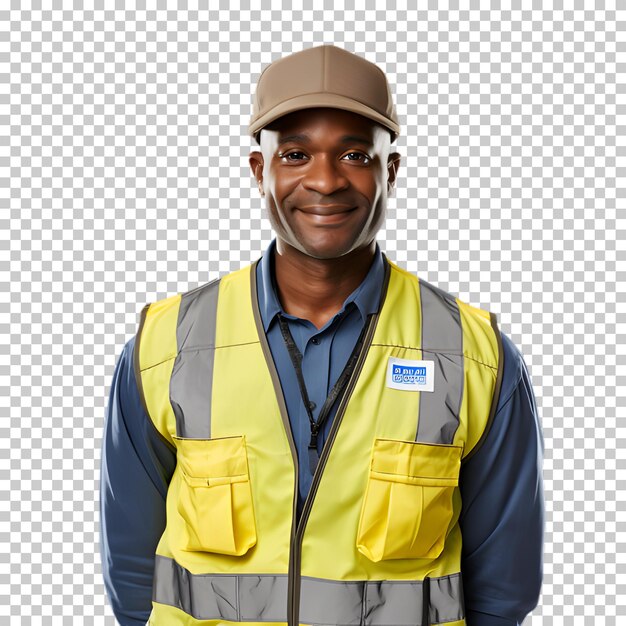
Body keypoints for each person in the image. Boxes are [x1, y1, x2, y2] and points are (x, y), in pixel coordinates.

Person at [99, 44, 545, 626]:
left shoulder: (474, 356)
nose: (326, 180)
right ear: (260, 171)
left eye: (356, 154)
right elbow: (133, 572)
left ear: (391, 170)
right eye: (295, 154)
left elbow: (504, 588)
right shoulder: (168, 345)